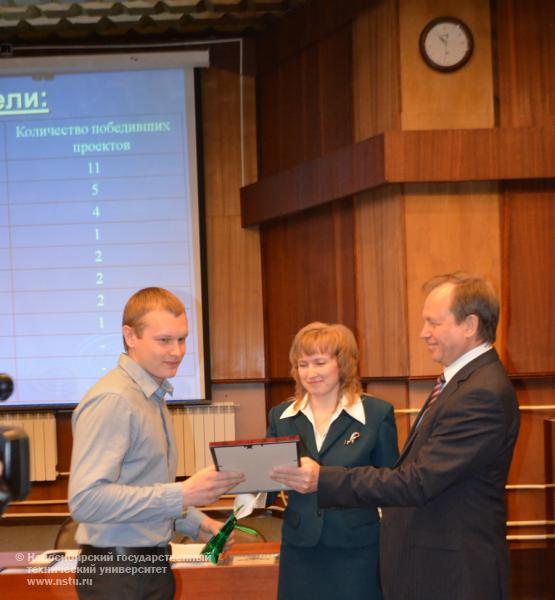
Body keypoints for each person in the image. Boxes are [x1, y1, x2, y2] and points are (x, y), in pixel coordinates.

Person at [271, 273, 520, 600]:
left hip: (454, 569)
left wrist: (324, 479)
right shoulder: (464, 383)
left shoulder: (480, 393)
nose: (423, 333)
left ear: (470, 325)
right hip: (432, 562)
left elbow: (416, 481)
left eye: (433, 323)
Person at [68, 287, 244, 599]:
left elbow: (141, 487)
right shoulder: (115, 399)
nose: (177, 351)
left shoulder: (151, 395)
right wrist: (184, 493)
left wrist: (196, 522)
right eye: (164, 340)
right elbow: (86, 501)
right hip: (117, 574)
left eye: (182, 338)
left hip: (149, 565)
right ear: (130, 336)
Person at [267, 322, 399, 600]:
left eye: (319, 362)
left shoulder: (377, 414)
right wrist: (244, 480)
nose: (310, 373)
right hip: (299, 550)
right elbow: (267, 489)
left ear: (343, 364)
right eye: (303, 364)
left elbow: (390, 486)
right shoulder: (280, 416)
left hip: (357, 550)